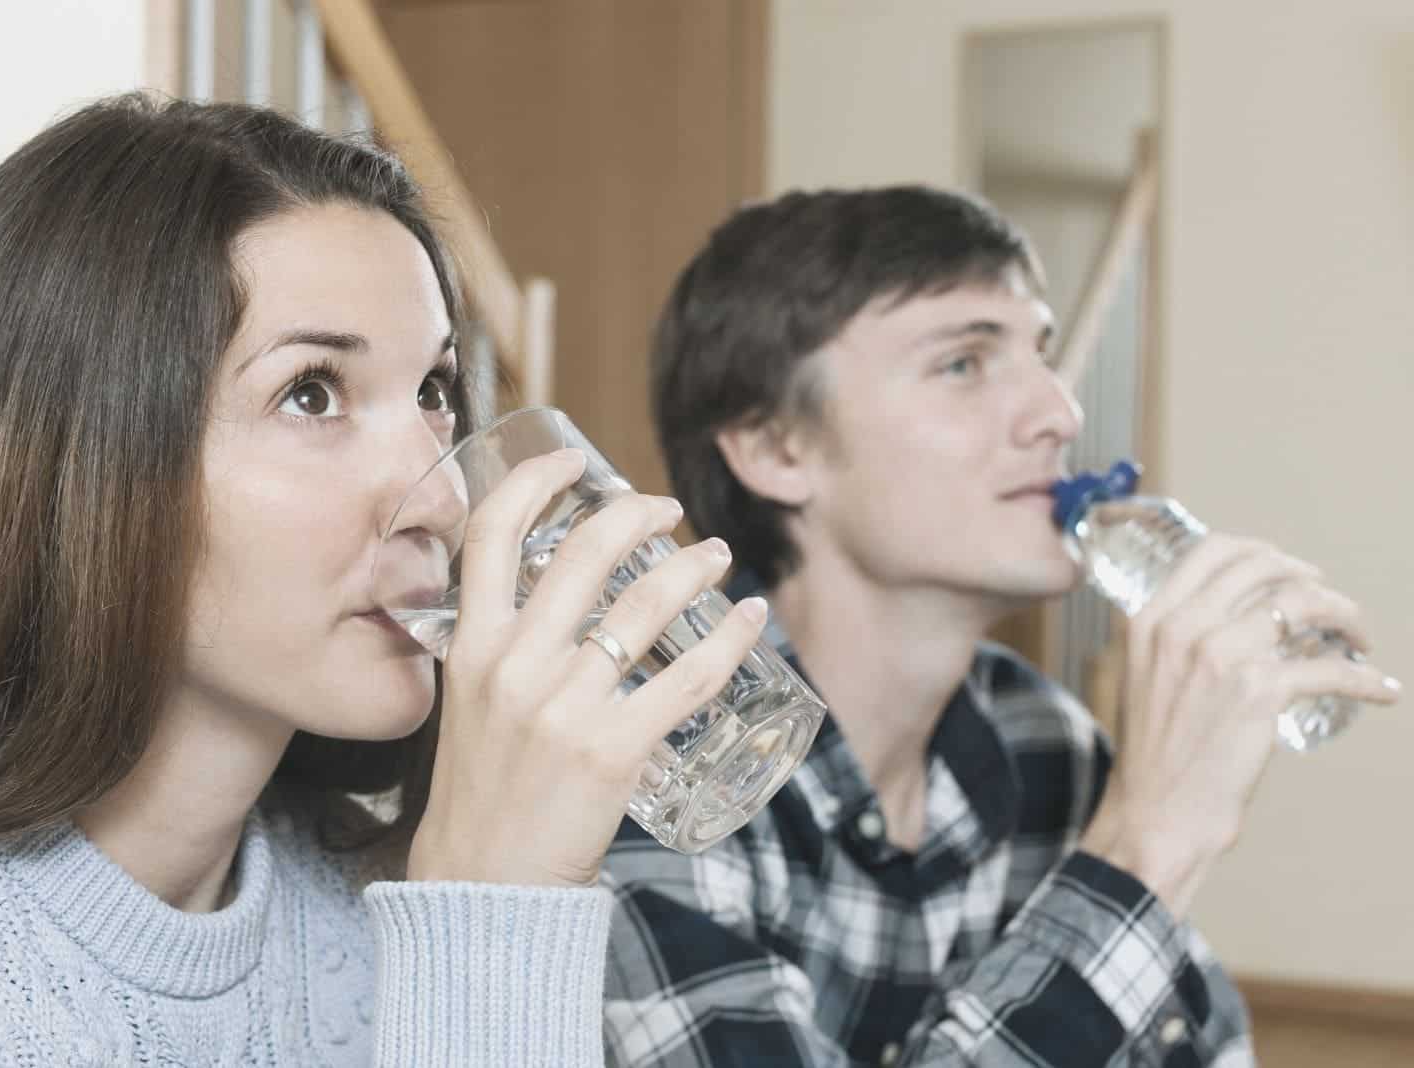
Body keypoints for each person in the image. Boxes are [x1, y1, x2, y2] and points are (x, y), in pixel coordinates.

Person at [0, 94, 769, 1066]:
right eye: (311, 393)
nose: (438, 502)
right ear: (78, 466)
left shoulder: (378, 906)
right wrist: (485, 926)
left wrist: (491, 920)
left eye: (434, 391)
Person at [599, 186, 1402, 1067]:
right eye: (963, 365)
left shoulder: (1042, 737)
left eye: (1041, 355)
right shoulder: (651, 757)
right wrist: (1146, 844)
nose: (1061, 413)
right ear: (775, 449)